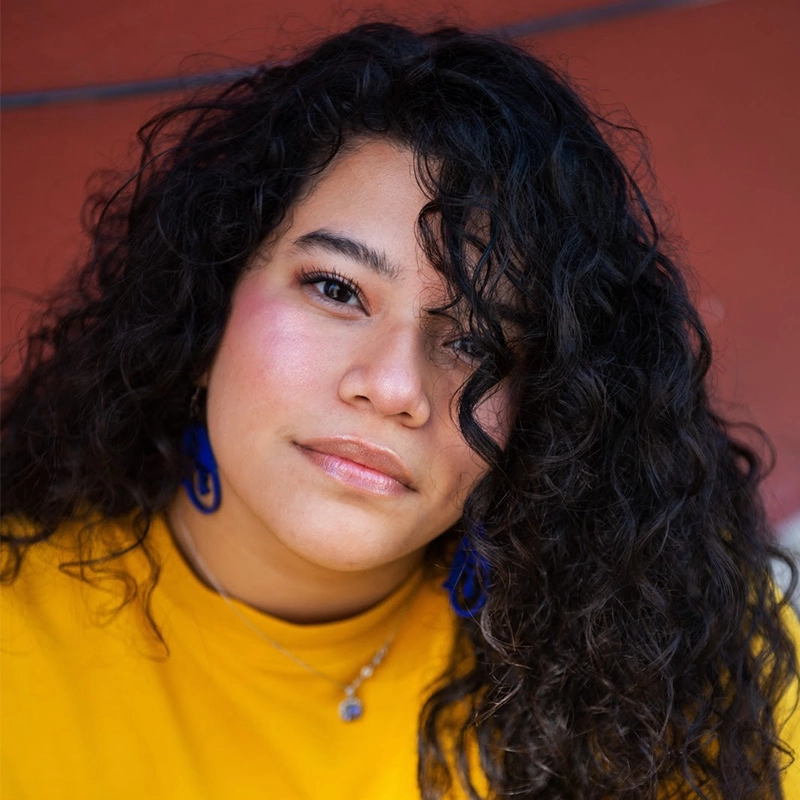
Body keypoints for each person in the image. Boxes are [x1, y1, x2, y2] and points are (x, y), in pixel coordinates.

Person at [1, 21, 798, 800]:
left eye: (478, 341)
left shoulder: (669, 665)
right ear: (207, 302)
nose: (394, 387)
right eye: (336, 289)